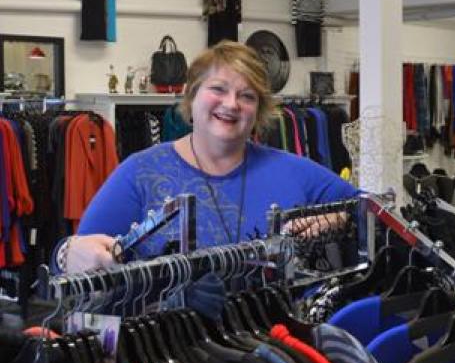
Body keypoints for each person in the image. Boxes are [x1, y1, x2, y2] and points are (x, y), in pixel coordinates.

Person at [56, 41, 358, 274]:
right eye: (218, 89)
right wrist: (68, 253)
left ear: (259, 110)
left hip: (277, 343)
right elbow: (71, 261)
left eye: (247, 96)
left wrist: (341, 218)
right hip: (169, 347)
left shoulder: (293, 171)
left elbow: (375, 214)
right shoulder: (141, 173)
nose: (232, 104)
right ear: (192, 95)